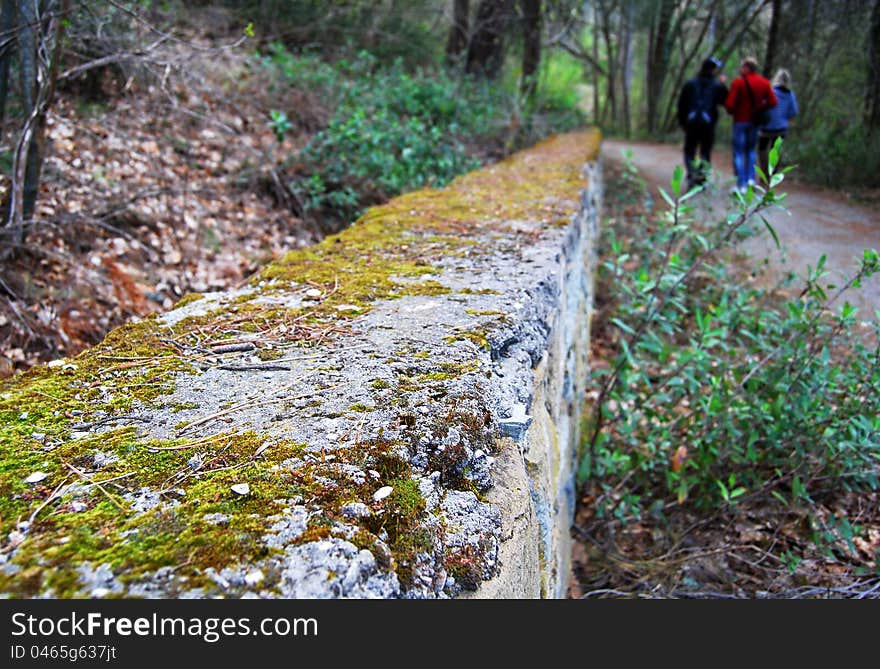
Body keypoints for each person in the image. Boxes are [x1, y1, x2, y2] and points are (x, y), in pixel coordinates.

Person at [723, 57, 778, 192]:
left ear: (747, 68)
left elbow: (729, 104)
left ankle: (741, 184)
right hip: (755, 122)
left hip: (740, 122)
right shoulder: (764, 83)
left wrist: (733, 111)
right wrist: (760, 107)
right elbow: (773, 101)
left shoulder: (738, 83)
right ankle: (751, 180)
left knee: (739, 152)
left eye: (742, 67)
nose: (740, 69)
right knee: (751, 151)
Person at [677, 56, 729, 190]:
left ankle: (692, 175)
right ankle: (701, 178)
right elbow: (726, 101)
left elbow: (681, 105)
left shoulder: (690, 84)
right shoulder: (717, 86)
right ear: (712, 69)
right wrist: (723, 84)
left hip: (691, 124)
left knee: (690, 151)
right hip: (708, 125)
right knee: (705, 151)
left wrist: (682, 123)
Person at [757, 68, 798, 181]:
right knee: (775, 150)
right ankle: (773, 174)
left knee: (762, 149)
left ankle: (764, 173)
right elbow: (794, 111)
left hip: (766, 127)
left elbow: (761, 106)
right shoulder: (790, 95)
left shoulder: (770, 91)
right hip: (781, 128)